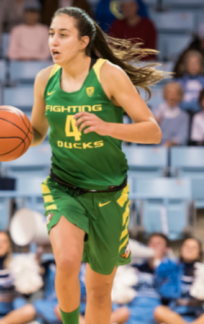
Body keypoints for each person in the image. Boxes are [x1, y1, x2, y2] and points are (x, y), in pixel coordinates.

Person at [30, 6, 164, 324]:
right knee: (66, 260)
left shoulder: (108, 75)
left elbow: (153, 131)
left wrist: (107, 127)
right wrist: (12, 138)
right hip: (64, 188)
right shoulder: (45, 80)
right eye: (51, 34)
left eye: (63, 34)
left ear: (83, 41)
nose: (54, 41)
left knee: (100, 290)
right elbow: (36, 133)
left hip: (108, 194)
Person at [110, 233, 169, 324]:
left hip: (156, 313)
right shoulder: (135, 266)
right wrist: (150, 253)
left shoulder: (170, 268)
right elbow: (121, 249)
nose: (154, 246)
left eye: (159, 243)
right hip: (130, 311)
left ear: (166, 249)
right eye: (152, 243)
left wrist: (158, 264)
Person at [153, 238, 204, 324]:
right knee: (159, 311)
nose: (189, 249)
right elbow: (161, 289)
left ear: (199, 253)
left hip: (198, 316)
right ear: (181, 249)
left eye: (193, 247)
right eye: (186, 246)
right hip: (175, 315)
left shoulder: (202, 271)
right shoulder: (170, 268)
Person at [154, 82, 189, 147]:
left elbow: (182, 137)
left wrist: (171, 143)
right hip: (154, 149)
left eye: (175, 93)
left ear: (179, 96)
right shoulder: (155, 112)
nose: (172, 96)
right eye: (169, 93)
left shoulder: (184, 116)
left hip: (174, 150)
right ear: (165, 95)